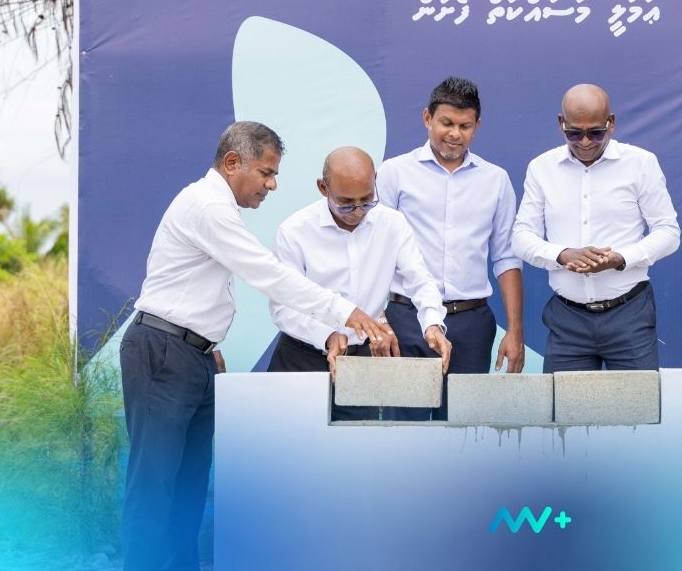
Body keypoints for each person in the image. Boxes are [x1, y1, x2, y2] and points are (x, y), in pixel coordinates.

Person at [120, 122, 388, 571]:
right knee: (155, 485)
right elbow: (268, 274)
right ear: (232, 163)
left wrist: (205, 344)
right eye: (266, 173)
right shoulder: (208, 206)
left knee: (188, 484)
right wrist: (346, 311)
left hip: (192, 355)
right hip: (164, 353)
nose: (272, 184)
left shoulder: (215, 207)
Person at [377, 76, 524, 421]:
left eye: (465, 126)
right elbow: (376, 251)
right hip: (407, 320)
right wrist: (379, 319)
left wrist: (515, 330)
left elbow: (506, 257)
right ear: (427, 118)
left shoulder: (496, 180)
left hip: (472, 324)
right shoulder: (394, 173)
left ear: (477, 126)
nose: (455, 133)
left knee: (464, 432)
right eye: (446, 123)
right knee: (404, 431)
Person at [268, 146, 452, 420]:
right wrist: (327, 335)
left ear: (375, 181)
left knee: (355, 442)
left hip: (360, 362)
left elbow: (420, 280)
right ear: (323, 188)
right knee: (287, 439)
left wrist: (433, 324)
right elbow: (283, 307)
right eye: (345, 203)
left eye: (367, 200)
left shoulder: (392, 224)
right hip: (300, 357)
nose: (357, 212)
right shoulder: (295, 231)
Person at [512, 83, 680, 372]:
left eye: (596, 132)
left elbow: (668, 232)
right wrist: (562, 254)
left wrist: (621, 259)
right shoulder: (541, 168)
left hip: (629, 315)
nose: (585, 142)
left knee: (636, 401)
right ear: (560, 123)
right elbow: (521, 236)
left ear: (611, 122)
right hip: (567, 320)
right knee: (565, 403)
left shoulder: (641, 163)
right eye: (574, 133)